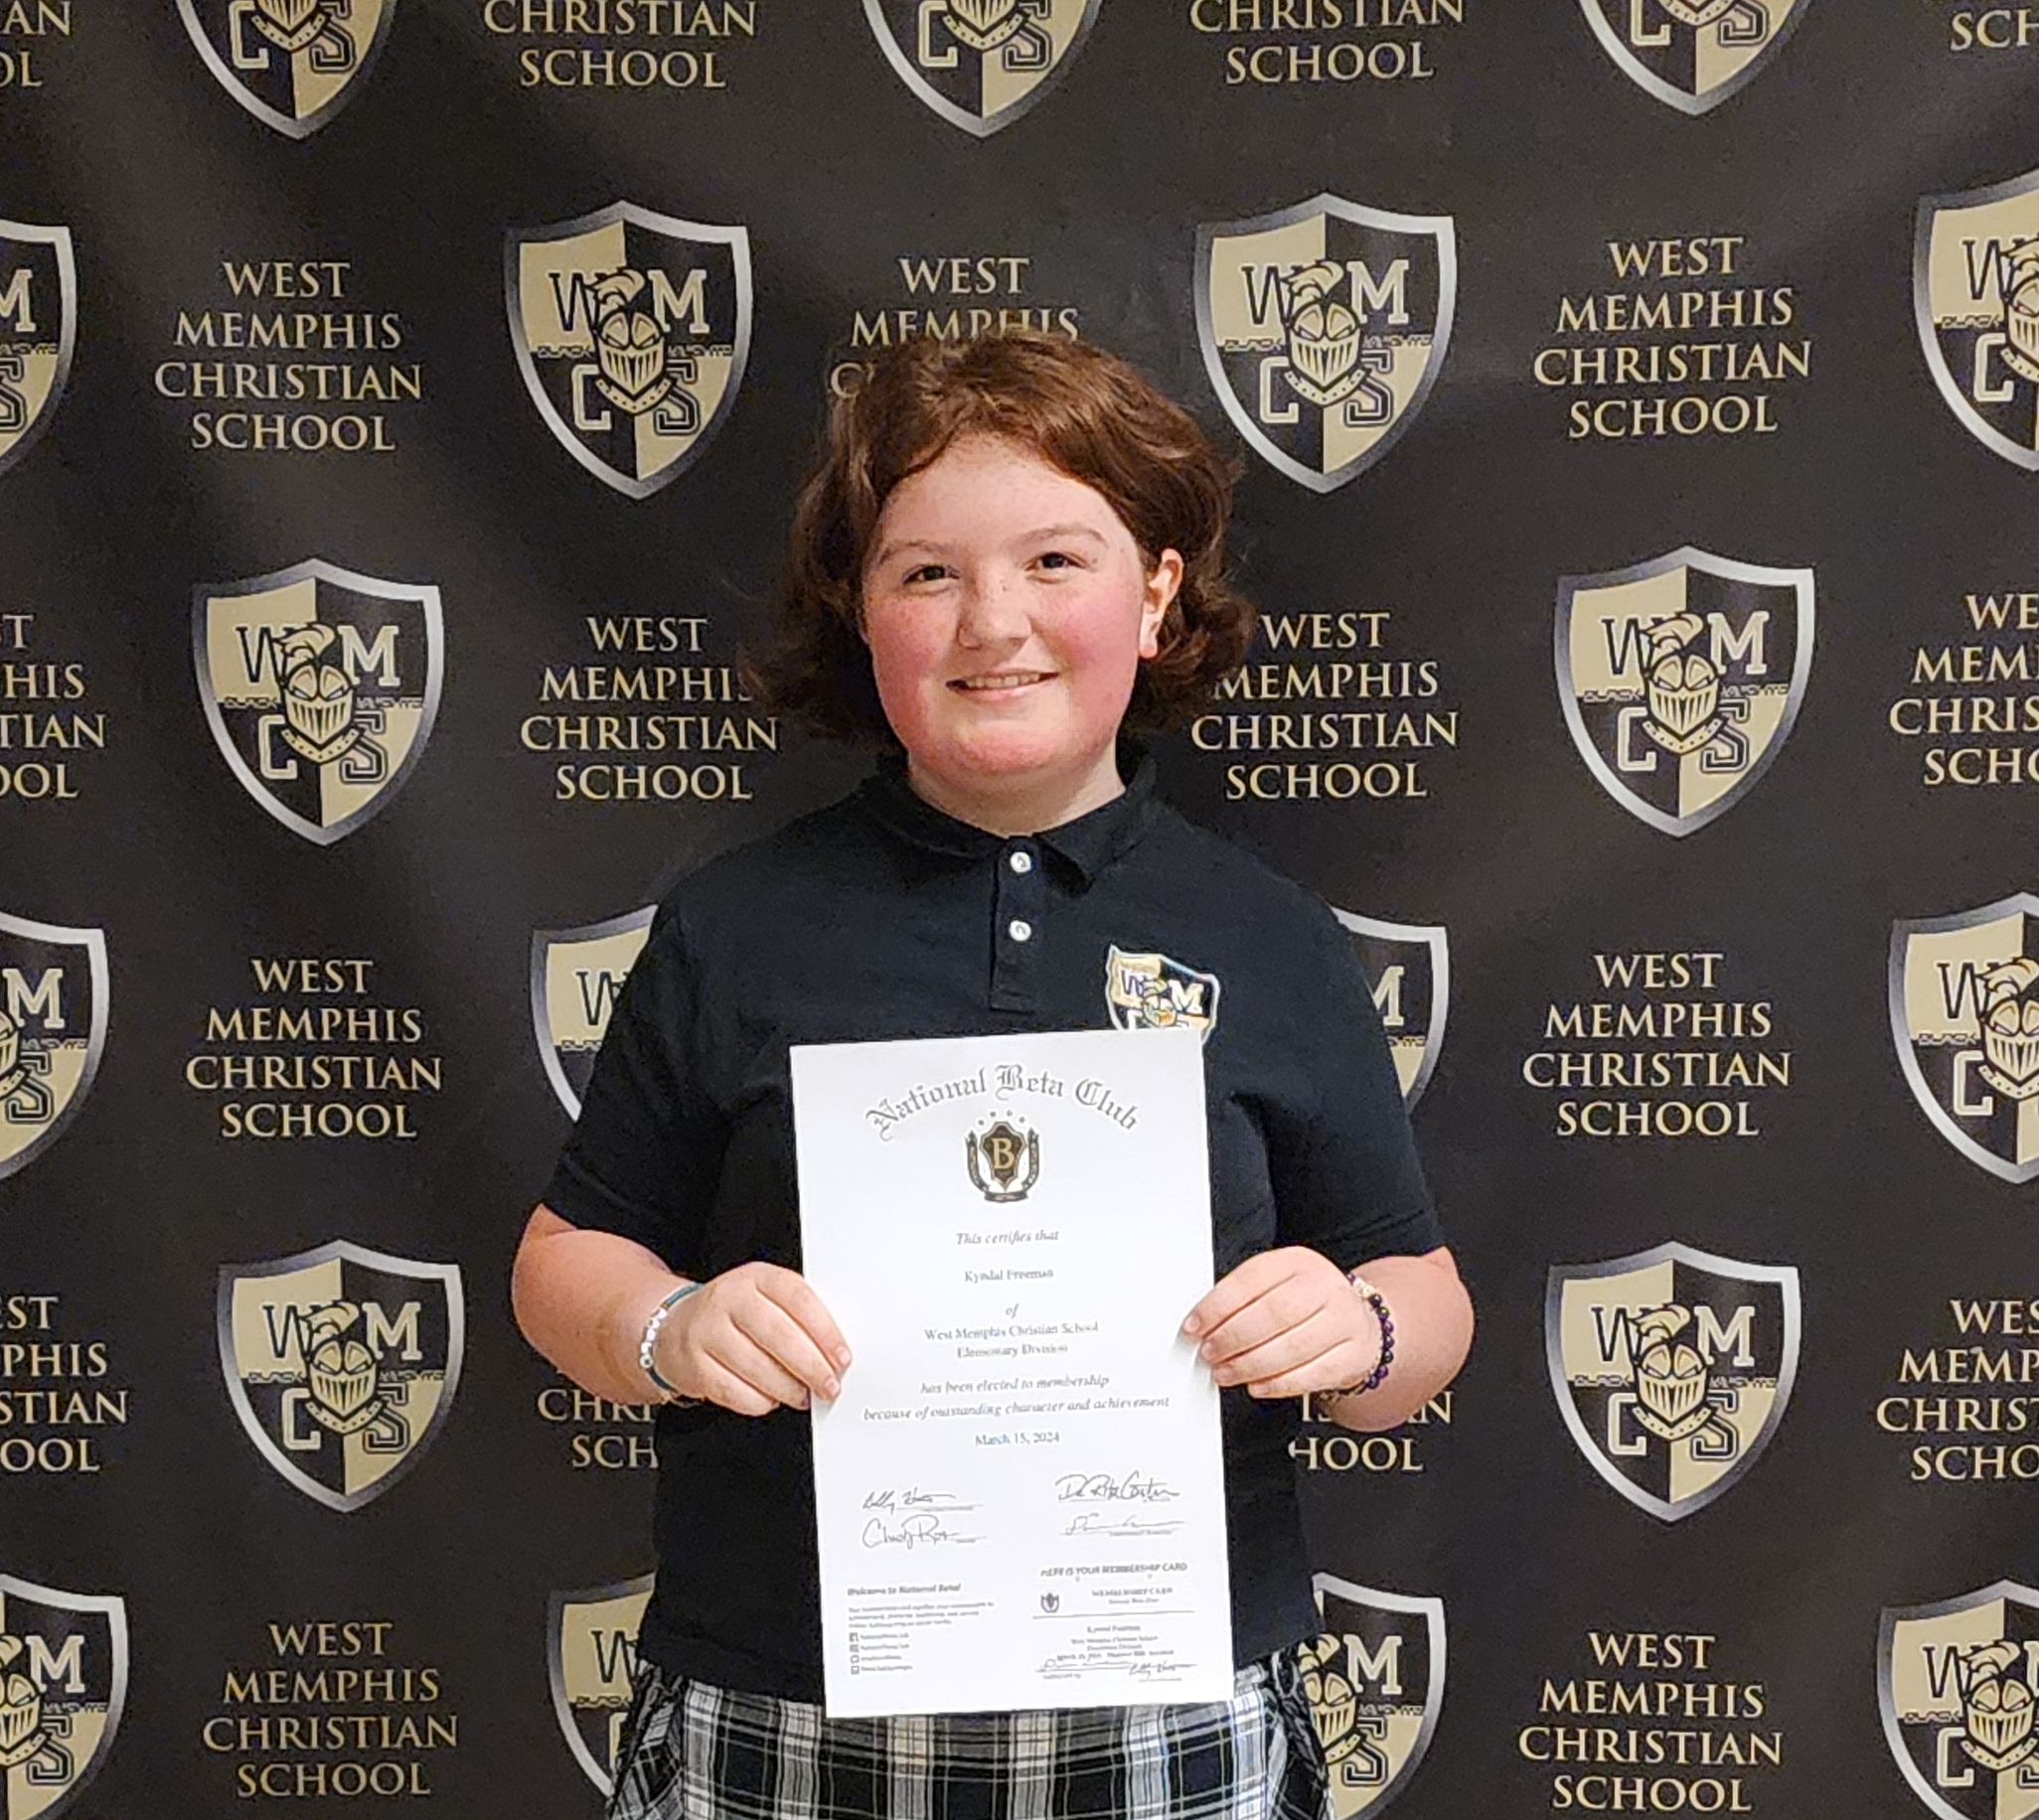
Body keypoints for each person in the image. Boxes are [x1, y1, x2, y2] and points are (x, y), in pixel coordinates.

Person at [512, 330, 1474, 1820]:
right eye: (927, 573)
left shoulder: (1270, 937)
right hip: (784, 1703)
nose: (994, 622)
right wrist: (667, 1326)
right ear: (863, 614)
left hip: (1171, 1709)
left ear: (1155, 594)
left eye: (1054, 561)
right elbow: (561, 1261)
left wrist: (1351, 1327)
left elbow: (1423, 1302)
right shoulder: (737, 925)